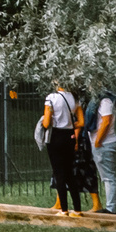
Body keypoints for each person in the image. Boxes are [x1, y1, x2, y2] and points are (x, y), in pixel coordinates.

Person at [43, 80, 83, 216]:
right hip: (69, 135)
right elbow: (82, 121)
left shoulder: (51, 98)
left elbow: (47, 122)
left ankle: (64, 209)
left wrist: (44, 122)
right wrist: (70, 124)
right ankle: (77, 209)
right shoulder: (74, 98)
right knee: (69, 172)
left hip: (56, 136)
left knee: (59, 172)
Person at [90, 85, 116, 213]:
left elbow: (106, 121)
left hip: (104, 143)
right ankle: (110, 207)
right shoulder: (102, 100)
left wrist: (98, 140)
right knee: (106, 177)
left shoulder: (105, 101)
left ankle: (111, 209)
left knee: (108, 177)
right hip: (102, 143)